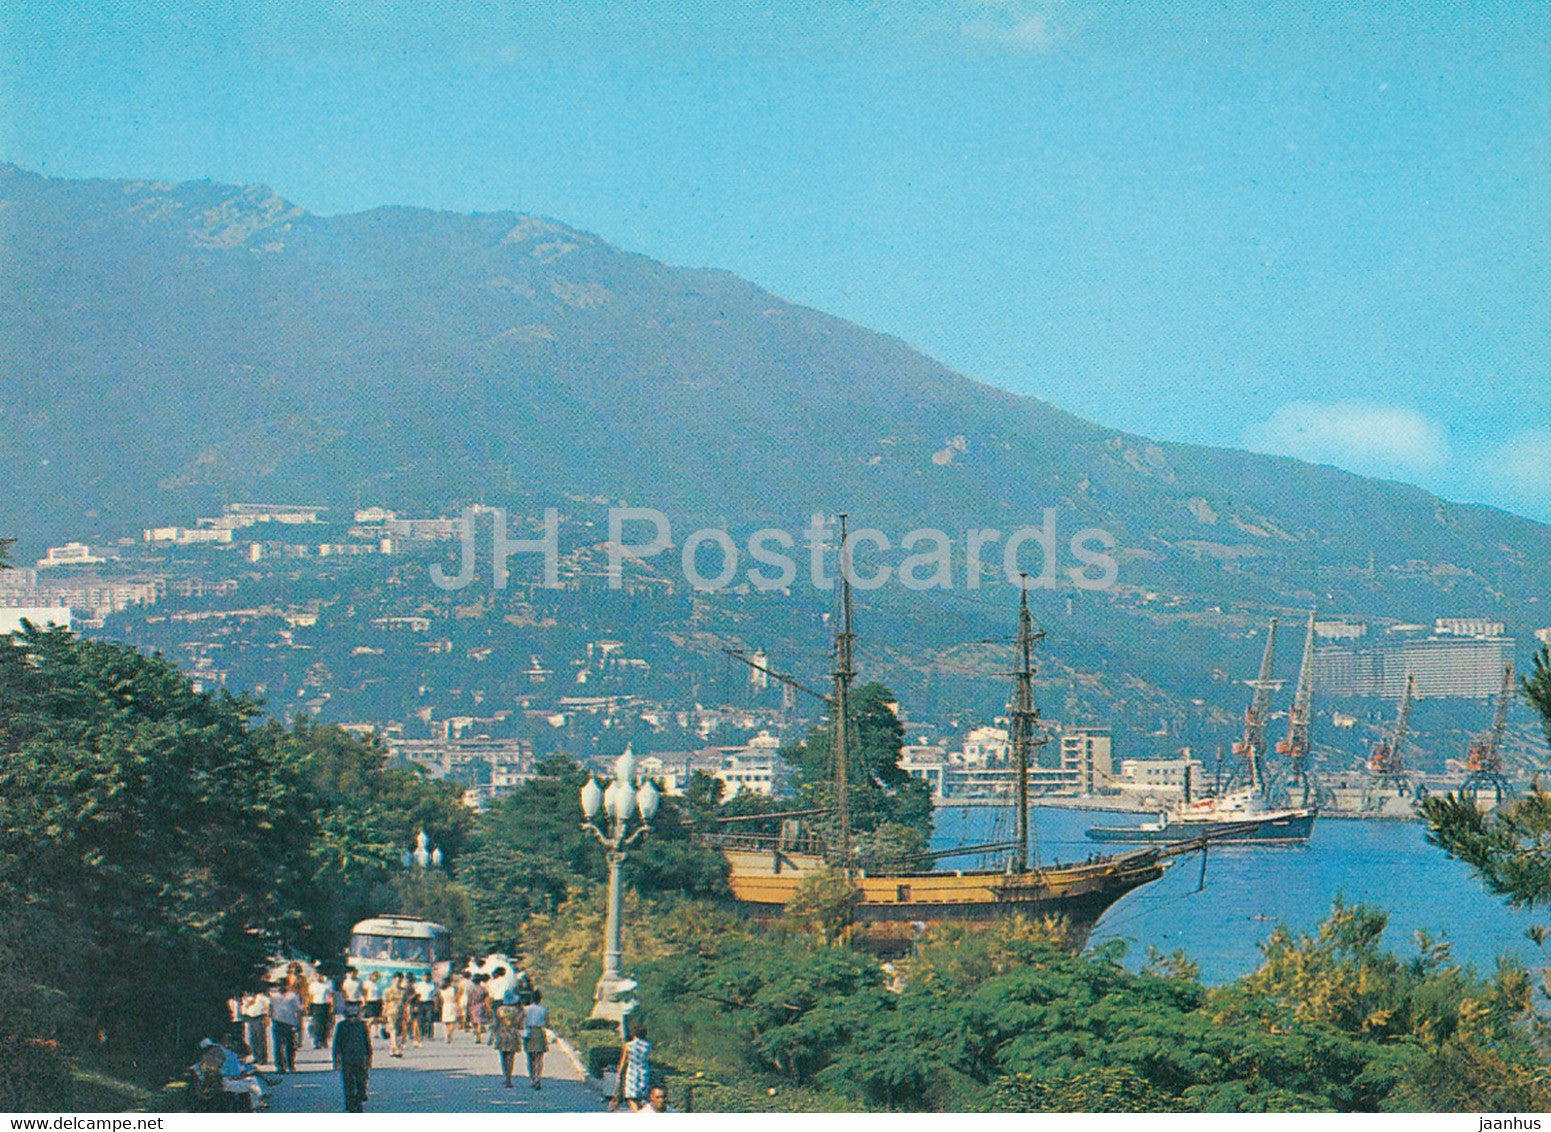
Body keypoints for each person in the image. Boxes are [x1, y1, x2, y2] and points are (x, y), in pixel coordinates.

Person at [332, 1001, 373, 1113]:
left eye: (355, 1015)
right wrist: (336, 1059)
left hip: (360, 1058)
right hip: (347, 1059)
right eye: (350, 1016)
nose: (353, 1018)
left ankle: (359, 1097)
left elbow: (367, 1042)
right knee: (348, 1083)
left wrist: (369, 1056)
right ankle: (350, 1104)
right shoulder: (341, 1026)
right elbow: (337, 1043)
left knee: (361, 1081)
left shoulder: (362, 1025)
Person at [491, 993, 525, 1088]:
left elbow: (496, 1023)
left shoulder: (499, 1010)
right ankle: (509, 1077)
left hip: (502, 1034)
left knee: (503, 1057)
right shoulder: (518, 1011)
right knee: (511, 1057)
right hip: (512, 1034)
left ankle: (505, 1076)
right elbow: (520, 1024)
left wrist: (492, 1036)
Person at [269, 981, 302, 1074]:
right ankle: (279, 1066)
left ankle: (290, 1065)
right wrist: (271, 1018)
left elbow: (298, 1010)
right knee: (278, 1045)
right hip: (278, 1022)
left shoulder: (293, 996)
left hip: (290, 1022)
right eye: (279, 985)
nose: (281, 987)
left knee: (290, 1045)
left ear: (287, 985)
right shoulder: (274, 996)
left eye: (283, 985)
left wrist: (299, 1023)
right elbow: (270, 1008)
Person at [618, 1021, 651, 1111]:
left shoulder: (628, 1045)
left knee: (631, 1098)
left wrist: (619, 1073)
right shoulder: (649, 1045)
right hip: (644, 1071)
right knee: (642, 1098)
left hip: (632, 1071)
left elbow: (623, 1061)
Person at [521, 989, 549, 1090]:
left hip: (528, 1032)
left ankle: (532, 1078)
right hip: (539, 1032)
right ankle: (538, 1077)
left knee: (530, 1057)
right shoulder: (544, 1009)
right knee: (539, 1058)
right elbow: (547, 1023)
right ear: (540, 999)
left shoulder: (526, 1009)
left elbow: (522, 1021)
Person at [241, 989, 271, 1066]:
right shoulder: (246, 998)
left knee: (260, 1038)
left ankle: (262, 1058)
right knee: (252, 1038)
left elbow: (268, 1006)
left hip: (259, 1017)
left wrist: (267, 1018)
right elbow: (244, 1007)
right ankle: (255, 1057)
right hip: (251, 1018)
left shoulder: (262, 997)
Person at [308, 969, 334, 1049]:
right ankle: (317, 1041)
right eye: (318, 975)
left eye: (321, 975)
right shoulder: (313, 985)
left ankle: (324, 1041)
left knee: (325, 1024)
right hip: (316, 1005)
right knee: (317, 1024)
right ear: (316, 976)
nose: (320, 977)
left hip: (325, 1005)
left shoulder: (328, 984)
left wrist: (332, 1006)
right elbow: (310, 996)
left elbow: (331, 996)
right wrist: (309, 1007)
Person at [382, 973, 407, 1058]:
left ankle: (392, 1049)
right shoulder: (388, 991)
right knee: (393, 1030)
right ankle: (396, 1049)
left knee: (399, 1032)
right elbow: (385, 1003)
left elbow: (406, 1003)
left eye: (400, 981)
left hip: (401, 1012)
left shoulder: (404, 991)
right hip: (391, 1012)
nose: (398, 982)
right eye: (397, 980)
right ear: (393, 980)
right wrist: (383, 1013)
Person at [413, 972, 437, 1046]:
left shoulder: (433, 985)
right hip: (421, 1002)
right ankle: (422, 1033)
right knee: (421, 1019)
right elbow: (416, 995)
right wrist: (415, 1004)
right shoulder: (419, 985)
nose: (426, 978)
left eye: (427, 976)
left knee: (430, 1019)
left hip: (429, 1002)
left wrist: (436, 1005)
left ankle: (430, 1035)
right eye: (424, 976)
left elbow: (435, 995)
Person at [361, 972, 384, 1038]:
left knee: (377, 1018)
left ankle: (375, 1033)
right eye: (375, 976)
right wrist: (364, 1001)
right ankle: (367, 1031)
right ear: (371, 976)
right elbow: (364, 992)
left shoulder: (377, 984)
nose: (376, 977)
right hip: (370, 1001)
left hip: (378, 1001)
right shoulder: (367, 983)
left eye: (378, 976)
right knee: (370, 1018)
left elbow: (380, 993)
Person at [439, 977, 460, 1044]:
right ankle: (450, 1033)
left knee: (445, 1022)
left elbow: (440, 999)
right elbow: (456, 998)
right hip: (453, 1004)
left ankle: (446, 1035)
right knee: (453, 1022)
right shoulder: (453, 989)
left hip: (445, 1005)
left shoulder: (441, 990)